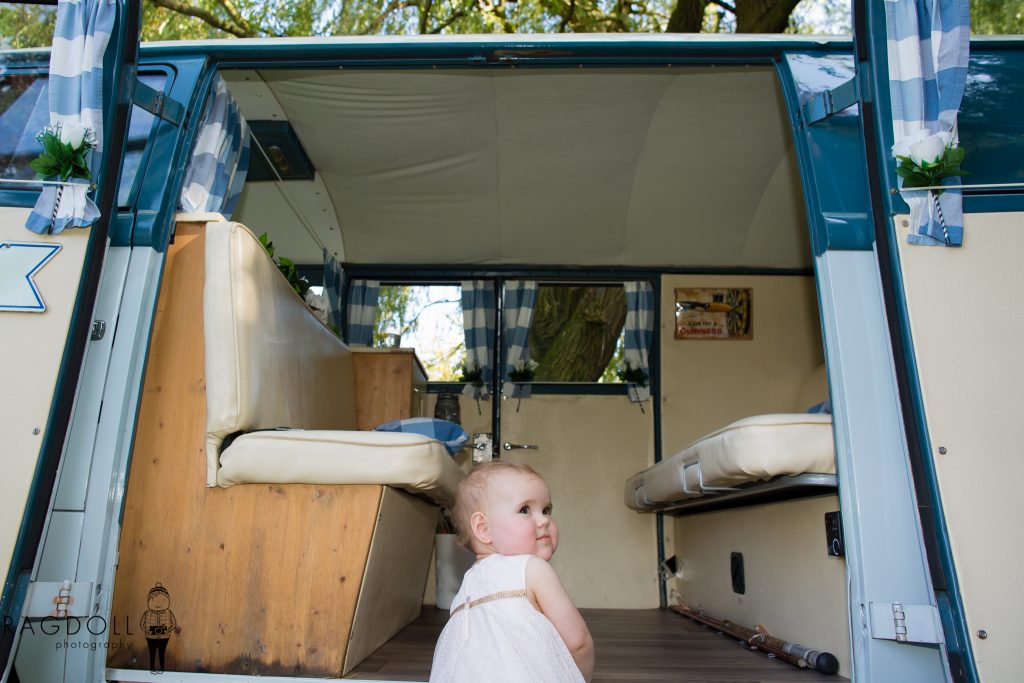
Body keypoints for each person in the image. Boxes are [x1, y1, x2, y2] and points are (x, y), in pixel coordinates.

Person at [429, 462, 595, 683]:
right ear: (483, 528)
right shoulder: (532, 569)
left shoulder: (464, 594)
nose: (544, 520)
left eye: (546, 510)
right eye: (525, 510)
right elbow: (578, 642)